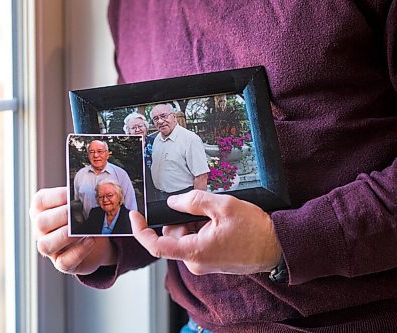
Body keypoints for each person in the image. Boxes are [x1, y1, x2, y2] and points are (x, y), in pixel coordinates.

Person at [30, 1, 397, 332]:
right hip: (201, 324)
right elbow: (157, 204)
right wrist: (106, 241)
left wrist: (278, 242)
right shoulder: (128, 8)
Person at [150, 103, 210, 197]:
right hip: (160, 196)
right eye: (156, 118)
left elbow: (201, 176)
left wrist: (196, 205)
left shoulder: (190, 139)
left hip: (184, 195)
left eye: (164, 116)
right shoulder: (157, 139)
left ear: (174, 117)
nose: (160, 121)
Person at [73, 139, 137, 219]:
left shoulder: (120, 174)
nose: (96, 155)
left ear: (107, 154)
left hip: (116, 228)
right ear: (88, 155)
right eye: (92, 152)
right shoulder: (80, 175)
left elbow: (130, 204)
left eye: (100, 151)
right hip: (89, 228)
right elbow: (77, 205)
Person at [123, 112, 160, 201]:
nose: (137, 129)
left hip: (157, 184)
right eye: (133, 128)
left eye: (140, 126)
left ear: (146, 127)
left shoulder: (156, 142)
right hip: (137, 187)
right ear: (128, 131)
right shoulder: (126, 147)